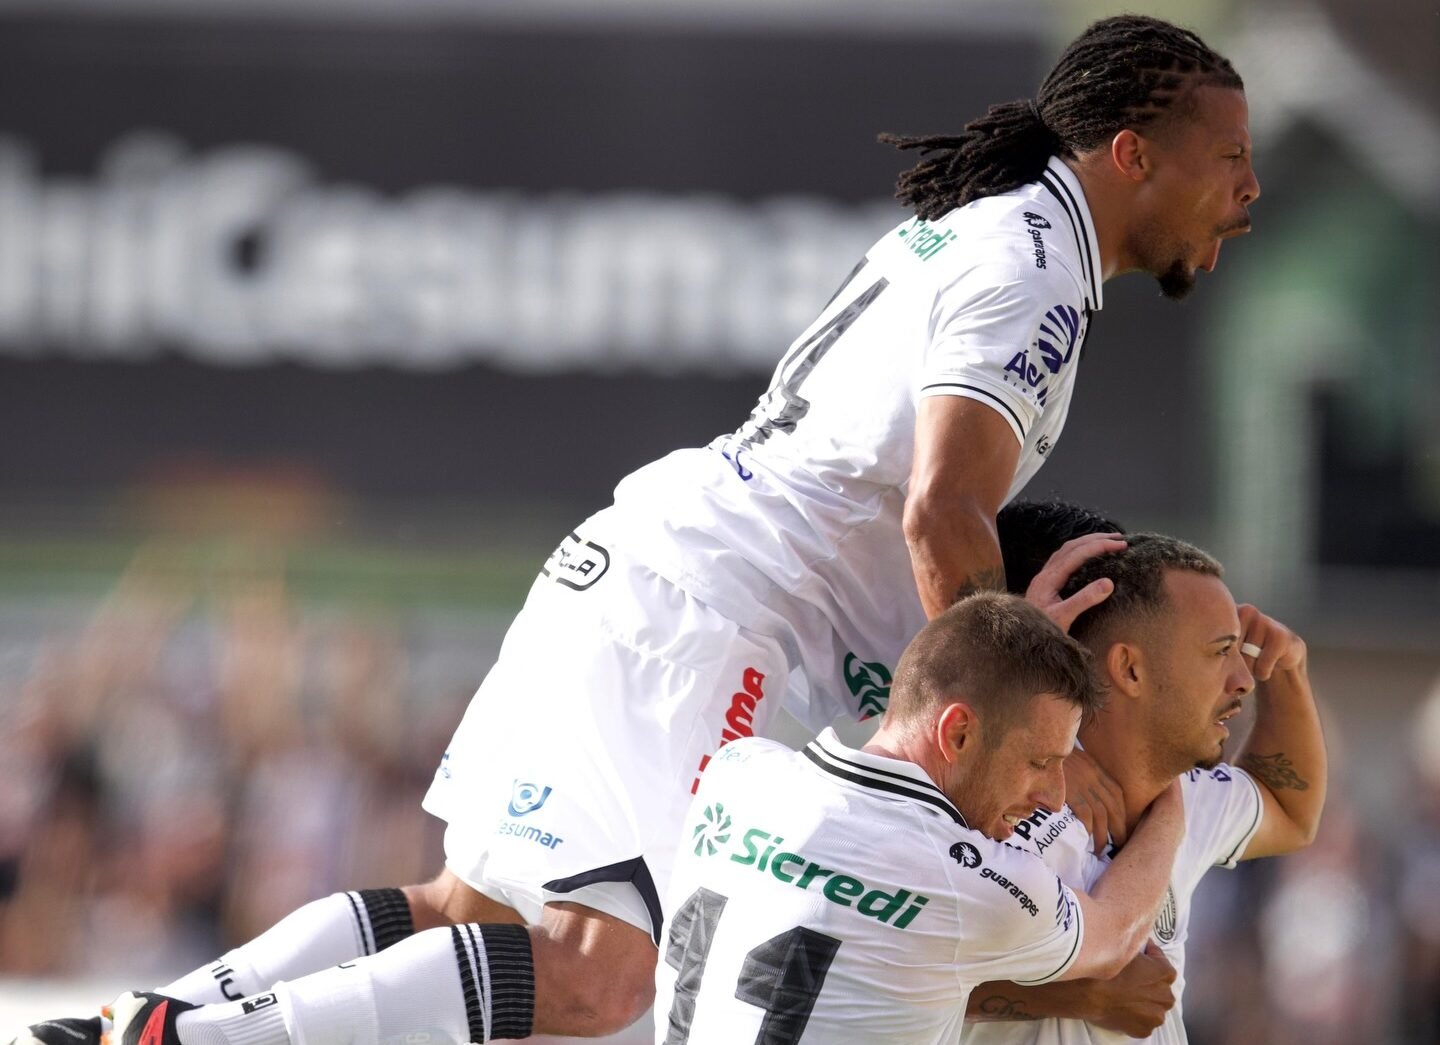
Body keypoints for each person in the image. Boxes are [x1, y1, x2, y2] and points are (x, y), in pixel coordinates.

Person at [16, 13, 1259, 1045]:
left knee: (473, 904)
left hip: (666, 564)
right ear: (1132, 152)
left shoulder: (1000, 231)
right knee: (606, 976)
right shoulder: (1038, 267)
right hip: (733, 614)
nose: (1249, 191)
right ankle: (192, 1040)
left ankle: (152, 1019)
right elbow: (943, 507)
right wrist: (999, 707)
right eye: (1228, 158)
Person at [652, 591, 1187, 1043]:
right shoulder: (970, 881)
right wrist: (1171, 799)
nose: (1054, 795)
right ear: (957, 733)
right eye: (1040, 761)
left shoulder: (741, 769)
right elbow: (1115, 937)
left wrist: (1008, 651)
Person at [963, 531, 1327, 1042]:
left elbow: (1290, 810)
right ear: (1130, 669)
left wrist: (1289, 672)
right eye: (1221, 651)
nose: (1245, 678)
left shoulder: (1182, 792)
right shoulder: (997, 811)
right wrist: (1077, 996)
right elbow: (888, 966)